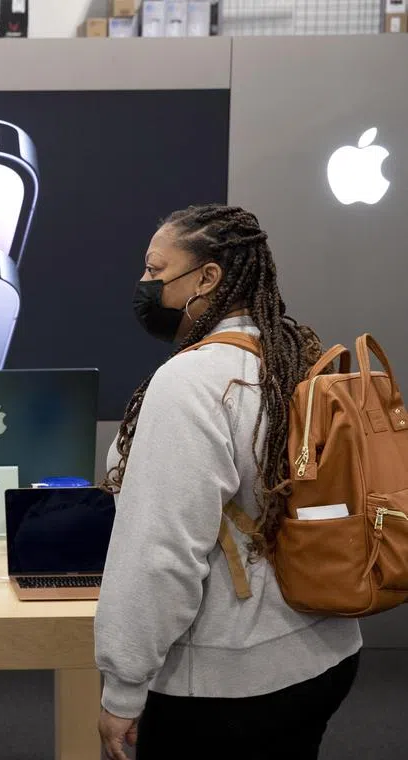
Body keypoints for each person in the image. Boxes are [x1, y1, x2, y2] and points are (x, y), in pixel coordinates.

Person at [95, 204, 362, 760]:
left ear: (208, 278)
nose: (144, 284)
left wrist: (123, 687)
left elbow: (161, 552)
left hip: (228, 684)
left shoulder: (191, 382)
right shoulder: (292, 355)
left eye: (154, 269)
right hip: (325, 655)